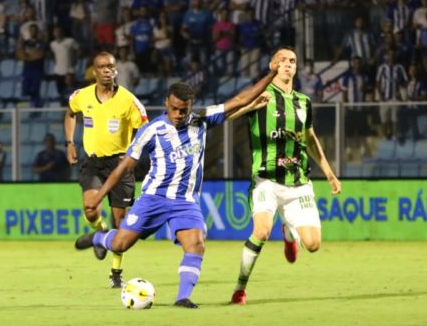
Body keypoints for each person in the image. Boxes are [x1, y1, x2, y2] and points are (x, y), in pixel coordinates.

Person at [74, 73, 276, 308]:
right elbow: (123, 167)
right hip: (153, 198)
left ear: (191, 107)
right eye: (174, 109)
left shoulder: (200, 119)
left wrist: (270, 74)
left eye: (184, 110)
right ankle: (99, 238)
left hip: (185, 202)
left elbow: (240, 100)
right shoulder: (152, 130)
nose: (179, 115)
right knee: (120, 244)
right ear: (166, 105)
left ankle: (183, 297)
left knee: (196, 243)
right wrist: (99, 196)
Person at [230, 46, 342, 306]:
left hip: (298, 183)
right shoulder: (262, 96)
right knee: (261, 231)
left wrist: (330, 174)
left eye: (292, 60)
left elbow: (310, 139)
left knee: (313, 245)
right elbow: (229, 114)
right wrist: (249, 106)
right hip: (265, 180)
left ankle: (290, 233)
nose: (288, 64)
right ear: (272, 66)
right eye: (282, 60)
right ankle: (240, 289)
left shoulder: (303, 102)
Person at [64, 51, 148, 288]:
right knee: (91, 210)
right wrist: (70, 143)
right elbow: (70, 114)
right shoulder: (82, 96)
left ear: (116, 70)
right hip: (93, 163)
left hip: (120, 165)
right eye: (102, 67)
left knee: (121, 224)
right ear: (94, 71)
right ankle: (100, 235)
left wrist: (133, 151)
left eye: (110, 67)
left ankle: (116, 273)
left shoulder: (129, 101)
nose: (107, 70)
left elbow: (146, 128)